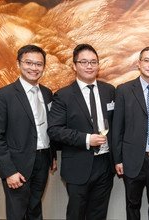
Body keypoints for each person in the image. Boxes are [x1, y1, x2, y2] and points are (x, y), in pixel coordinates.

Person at [47, 44, 115, 220]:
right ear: (74, 65)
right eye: (84, 62)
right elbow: (54, 130)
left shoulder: (109, 91)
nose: (89, 66)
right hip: (78, 165)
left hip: (105, 164)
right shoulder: (63, 95)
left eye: (93, 62)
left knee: (99, 214)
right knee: (76, 214)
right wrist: (86, 139)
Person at [0, 44, 57, 220]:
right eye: (29, 63)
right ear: (19, 64)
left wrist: (52, 156)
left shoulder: (47, 93)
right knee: (17, 213)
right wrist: (9, 171)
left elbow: (49, 128)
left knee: (35, 209)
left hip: (42, 160)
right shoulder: (4, 95)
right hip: (17, 165)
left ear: (43, 66)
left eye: (39, 64)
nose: (34, 68)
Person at [112, 46, 149, 220]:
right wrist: (118, 159)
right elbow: (117, 128)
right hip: (132, 160)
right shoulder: (123, 90)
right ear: (139, 63)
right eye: (147, 60)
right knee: (133, 204)